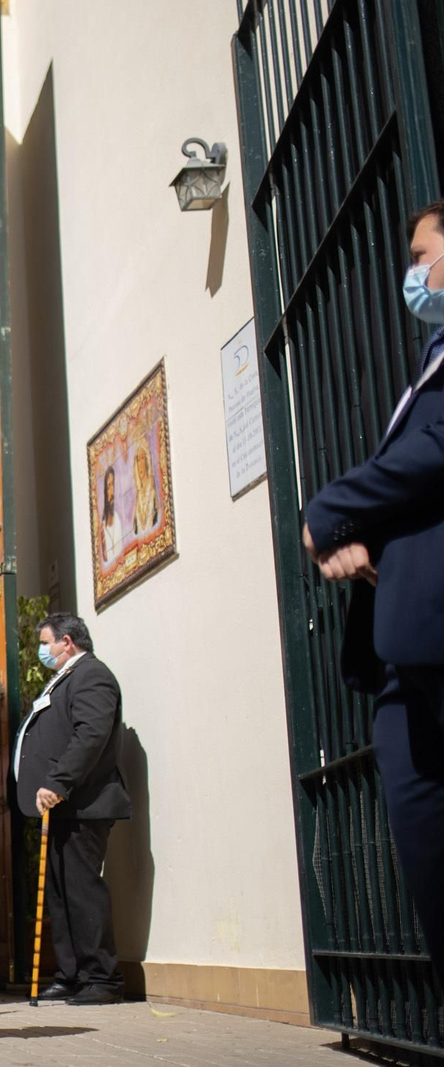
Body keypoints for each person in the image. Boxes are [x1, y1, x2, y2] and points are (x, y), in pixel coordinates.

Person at [301, 199, 444, 986]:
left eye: (423, 255)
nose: (412, 274)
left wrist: (333, 507)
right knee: (426, 856)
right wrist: (370, 549)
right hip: (404, 643)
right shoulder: (429, 361)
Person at [12, 613, 132, 1005]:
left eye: (46, 643)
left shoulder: (91, 675)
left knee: (81, 890)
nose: (42, 651)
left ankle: (102, 977)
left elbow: (91, 734)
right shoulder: (65, 678)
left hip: (82, 803)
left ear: (67, 641)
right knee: (60, 893)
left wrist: (58, 782)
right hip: (60, 806)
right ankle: (72, 974)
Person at [99, 467, 124, 565]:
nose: (112, 491)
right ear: (105, 491)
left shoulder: (117, 520)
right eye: (109, 486)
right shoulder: (102, 528)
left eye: (113, 484)